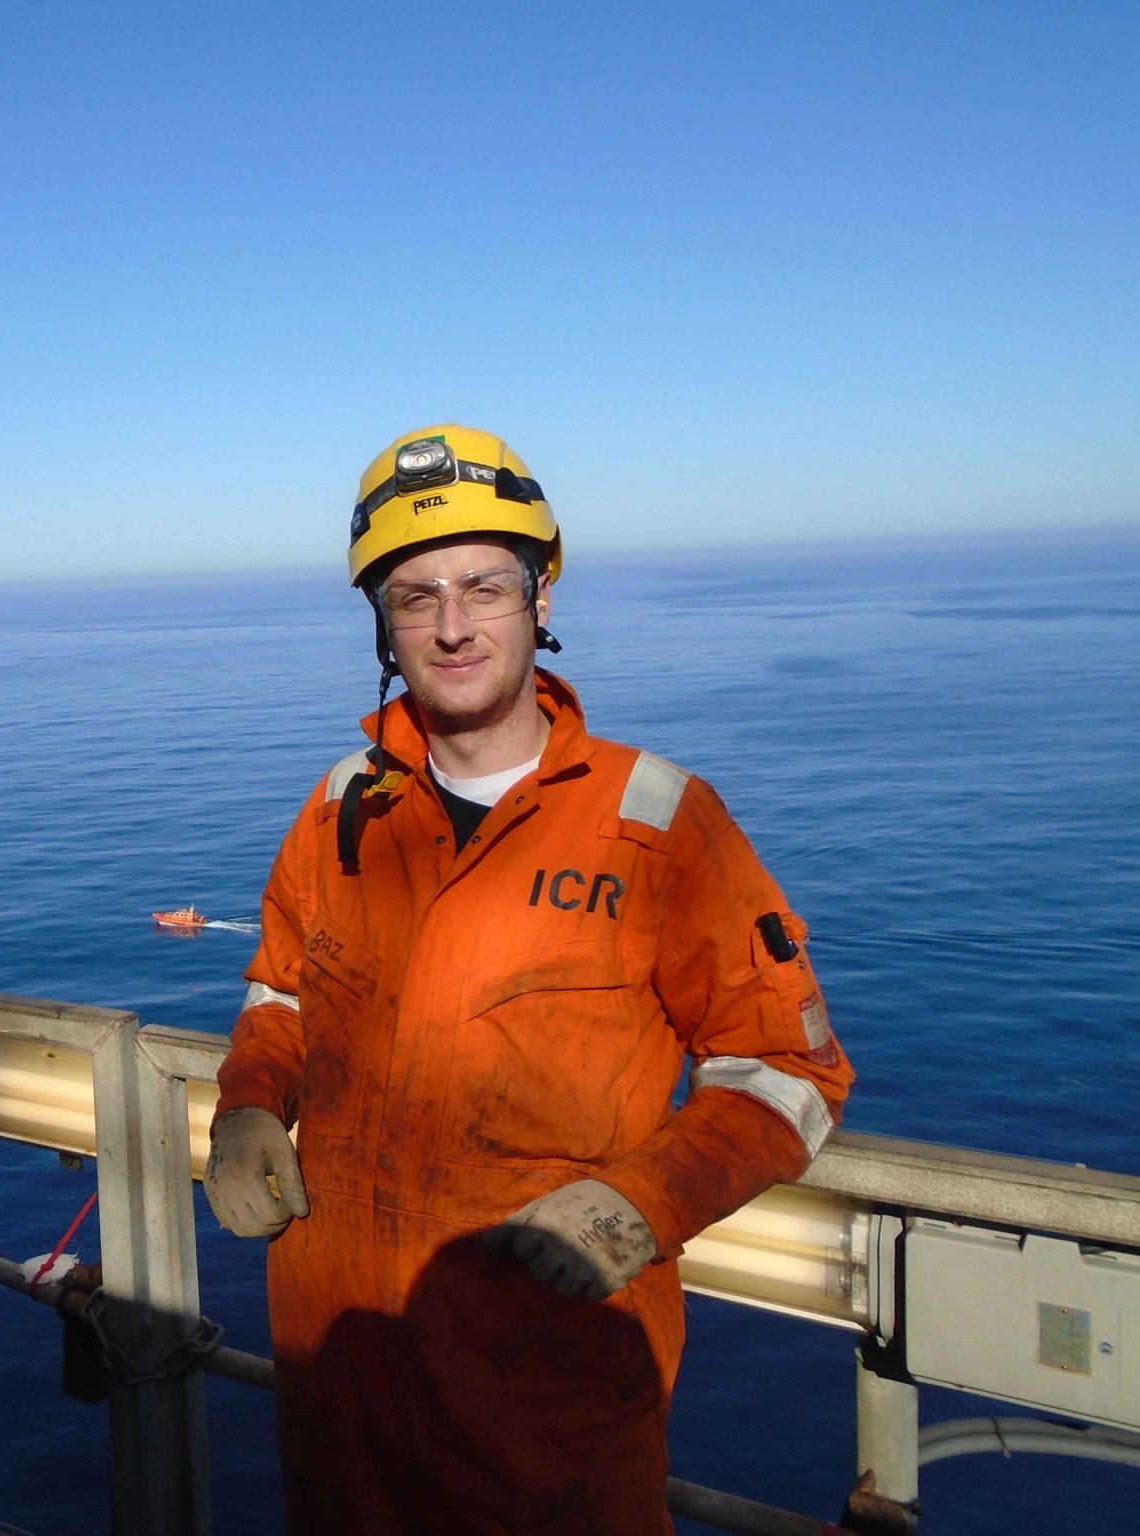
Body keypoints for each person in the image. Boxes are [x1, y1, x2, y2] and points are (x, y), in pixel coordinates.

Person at [203, 424, 855, 1535]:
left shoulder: (655, 825)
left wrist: (638, 1206)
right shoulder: (337, 815)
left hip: (543, 1404)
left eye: (483, 587)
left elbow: (788, 1074)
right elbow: (281, 997)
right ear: (380, 622)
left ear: (540, 597)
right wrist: (251, 1104)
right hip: (340, 1379)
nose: (451, 627)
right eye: (414, 597)